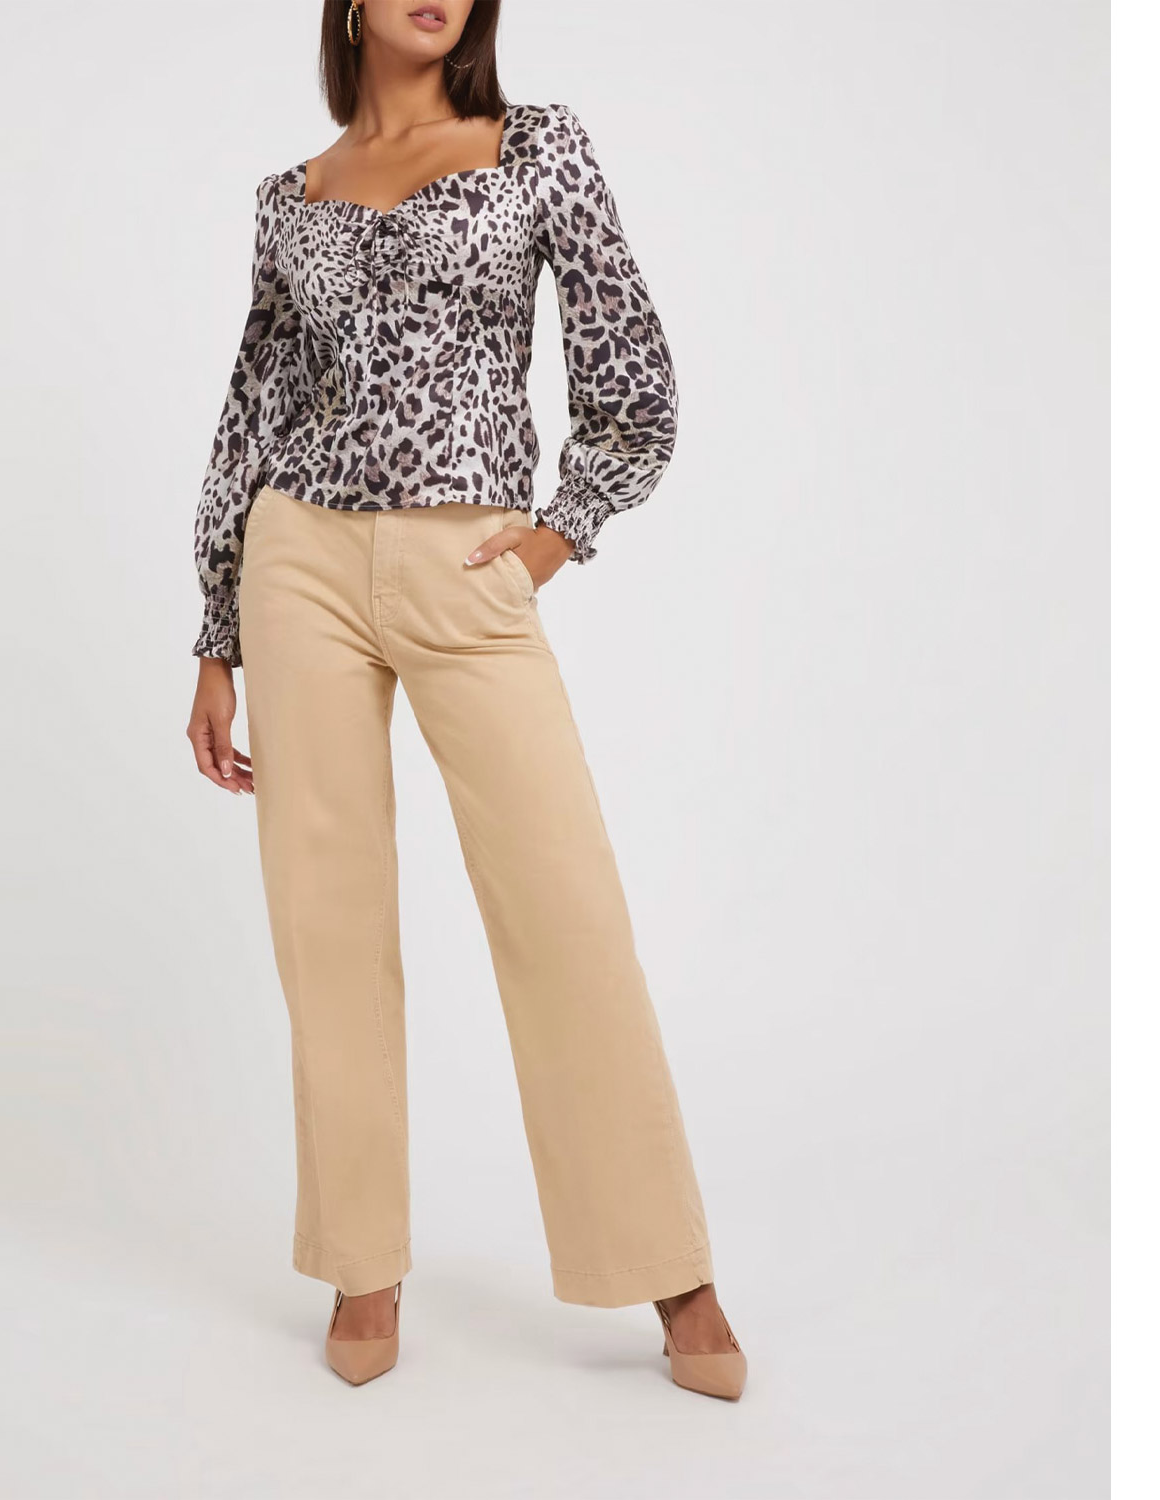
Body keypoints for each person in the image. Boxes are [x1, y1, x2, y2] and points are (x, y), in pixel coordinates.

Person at [186, 0, 745, 1399]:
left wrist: (562, 529)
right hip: (299, 563)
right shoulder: (290, 196)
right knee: (325, 921)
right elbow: (251, 410)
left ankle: (671, 1269)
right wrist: (216, 632)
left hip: (469, 559)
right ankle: (361, 1264)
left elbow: (630, 372)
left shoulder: (536, 147)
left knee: (565, 906)